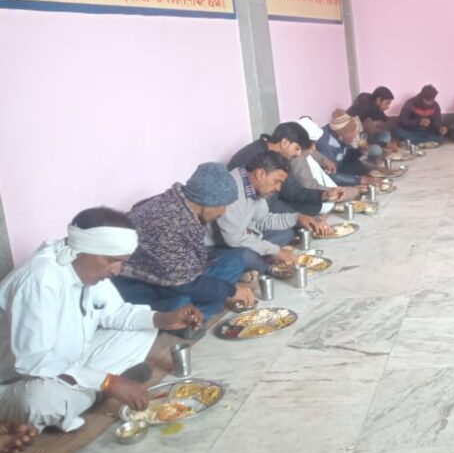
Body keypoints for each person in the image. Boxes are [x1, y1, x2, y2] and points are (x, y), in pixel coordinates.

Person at [0, 208, 203, 431]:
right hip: (17, 380)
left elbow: (117, 313)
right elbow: (31, 361)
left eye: (122, 262)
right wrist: (108, 382)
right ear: (85, 250)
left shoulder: (83, 268)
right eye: (113, 261)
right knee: (41, 401)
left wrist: (164, 319)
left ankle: (85, 393)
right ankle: (94, 393)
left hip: (69, 361)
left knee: (143, 329)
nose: (117, 271)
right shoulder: (40, 280)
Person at [113, 163, 256, 324]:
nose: (223, 212)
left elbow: (189, 265)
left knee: (234, 261)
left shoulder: (182, 204)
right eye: (222, 205)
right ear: (208, 200)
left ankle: (196, 312)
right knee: (182, 303)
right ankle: (193, 318)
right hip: (142, 285)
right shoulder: (167, 223)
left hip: (174, 275)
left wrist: (224, 289)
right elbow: (183, 284)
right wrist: (231, 290)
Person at [209, 152, 329, 273]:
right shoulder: (231, 190)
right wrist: (276, 251)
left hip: (243, 236)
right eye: (276, 181)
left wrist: (297, 218)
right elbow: (233, 239)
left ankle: (260, 261)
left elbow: (262, 220)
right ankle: (269, 268)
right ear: (260, 174)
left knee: (286, 233)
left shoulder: (253, 187)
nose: (278, 188)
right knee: (246, 256)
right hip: (215, 248)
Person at [276, 117, 354, 214]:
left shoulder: (303, 150)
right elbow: (308, 186)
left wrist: (324, 160)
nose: (314, 148)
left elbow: (314, 153)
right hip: (312, 196)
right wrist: (328, 193)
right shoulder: (297, 159)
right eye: (311, 144)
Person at [316, 111, 381, 187]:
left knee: (359, 168)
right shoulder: (326, 145)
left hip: (341, 167)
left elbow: (348, 157)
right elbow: (329, 176)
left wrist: (359, 151)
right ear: (342, 135)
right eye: (352, 136)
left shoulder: (340, 134)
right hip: (326, 179)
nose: (355, 138)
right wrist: (358, 180)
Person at [226, 122, 310, 172]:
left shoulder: (279, 158)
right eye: (297, 148)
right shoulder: (255, 156)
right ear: (284, 143)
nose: (299, 154)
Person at [348, 86, 397, 160]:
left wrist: (393, 140)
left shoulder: (375, 105)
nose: (388, 107)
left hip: (368, 136)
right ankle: (366, 153)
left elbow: (385, 120)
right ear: (379, 100)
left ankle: (380, 148)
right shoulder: (363, 109)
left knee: (386, 134)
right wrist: (385, 144)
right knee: (376, 151)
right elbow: (361, 137)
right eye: (387, 103)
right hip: (356, 139)